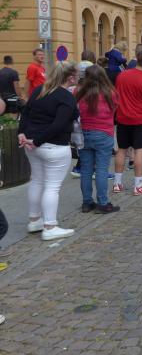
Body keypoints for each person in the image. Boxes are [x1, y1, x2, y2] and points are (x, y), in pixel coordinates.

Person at [18, 61, 79, 241]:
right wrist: (37, 141)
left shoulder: (40, 90)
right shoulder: (66, 97)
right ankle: (50, 226)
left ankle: (34, 220)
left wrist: (22, 133)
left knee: (37, 181)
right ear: (70, 78)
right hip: (53, 146)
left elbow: (25, 113)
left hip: (32, 145)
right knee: (52, 186)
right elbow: (59, 124)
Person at [112, 49, 142, 195]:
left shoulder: (121, 76)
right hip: (140, 120)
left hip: (122, 118)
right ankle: (138, 186)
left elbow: (116, 96)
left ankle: (117, 184)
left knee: (121, 150)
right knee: (139, 151)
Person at [75, 65, 120, 214]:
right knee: (101, 169)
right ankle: (103, 203)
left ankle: (87, 203)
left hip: (84, 134)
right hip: (104, 133)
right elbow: (114, 110)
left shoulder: (80, 93)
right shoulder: (110, 93)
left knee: (86, 169)